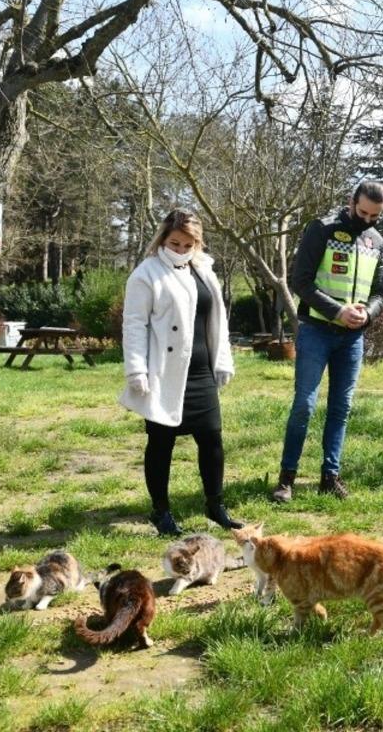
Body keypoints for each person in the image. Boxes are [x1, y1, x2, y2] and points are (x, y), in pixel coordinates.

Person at [120, 209, 243, 534]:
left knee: (212, 440)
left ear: (197, 242)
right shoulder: (146, 274)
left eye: (187, 244)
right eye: (174, 242)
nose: (180, 249)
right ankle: (160, 511)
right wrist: (136, 370)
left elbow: (219, 320)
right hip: (164, 372)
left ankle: (215, 505)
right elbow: (134, 324)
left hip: (201, 371)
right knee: (161, 444)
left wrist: (224, 359)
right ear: (162, 239)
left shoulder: (204, 270)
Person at [270, 182, 383, 503]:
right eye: (362, 212)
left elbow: (381, 291)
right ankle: (286, 479)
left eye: (374, 216)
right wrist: (337, 311)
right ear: (351, 202)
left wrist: (369, 313)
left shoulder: (376, 240)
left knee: (341, 407)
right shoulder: (321, 229)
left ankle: (329, 476)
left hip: (352, 338)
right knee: (304, 406)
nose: (366, 220)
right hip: (316, 331)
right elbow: (300, 282)